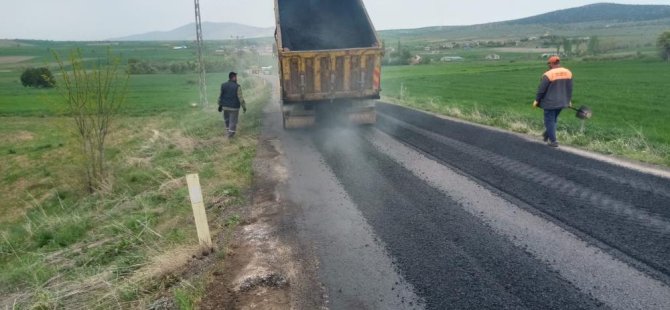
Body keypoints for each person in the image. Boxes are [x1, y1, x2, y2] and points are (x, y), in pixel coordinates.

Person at [533, 56, 573, 148]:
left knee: (549, 121)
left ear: (551, 64)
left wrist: (537, 100)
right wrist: (568, 100)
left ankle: (553, 141)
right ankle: (546, 135)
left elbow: (541, 89)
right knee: (553, 120)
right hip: (562, 102)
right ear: (558, 62)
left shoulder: (548, 74)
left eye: (549, 64)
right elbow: (570, 89)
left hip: (550, 103)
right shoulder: (568, 72)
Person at [218, 72, 247, 138]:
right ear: (233, 77)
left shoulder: (223, 85)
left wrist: (220, 105)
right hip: (234, 108)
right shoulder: (237, 86)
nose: (237, 78)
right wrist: (244, 107)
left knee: (227, 120)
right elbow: (240, 98)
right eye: (236, 77)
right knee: (233, 121)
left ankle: (228, 133)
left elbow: (220, 96)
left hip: (225, 107)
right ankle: (230, 136)